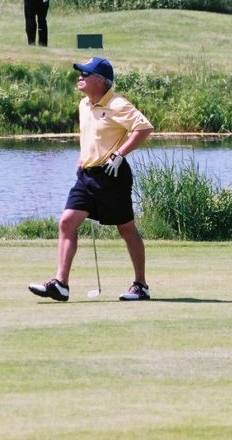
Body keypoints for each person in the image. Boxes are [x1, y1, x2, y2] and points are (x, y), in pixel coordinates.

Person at [29, 56, 155, 302]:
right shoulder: (84, 105)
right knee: (67, 222)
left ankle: (141, 285)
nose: (80, 77)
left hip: (112, 175)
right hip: (86, 175)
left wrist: (120, 154)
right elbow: (90, 137)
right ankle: (61, 284)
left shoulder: (118, 104)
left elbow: (144, 128)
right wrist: (82, 158)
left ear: (99, 80)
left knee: (126, 229)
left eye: (85, 74)